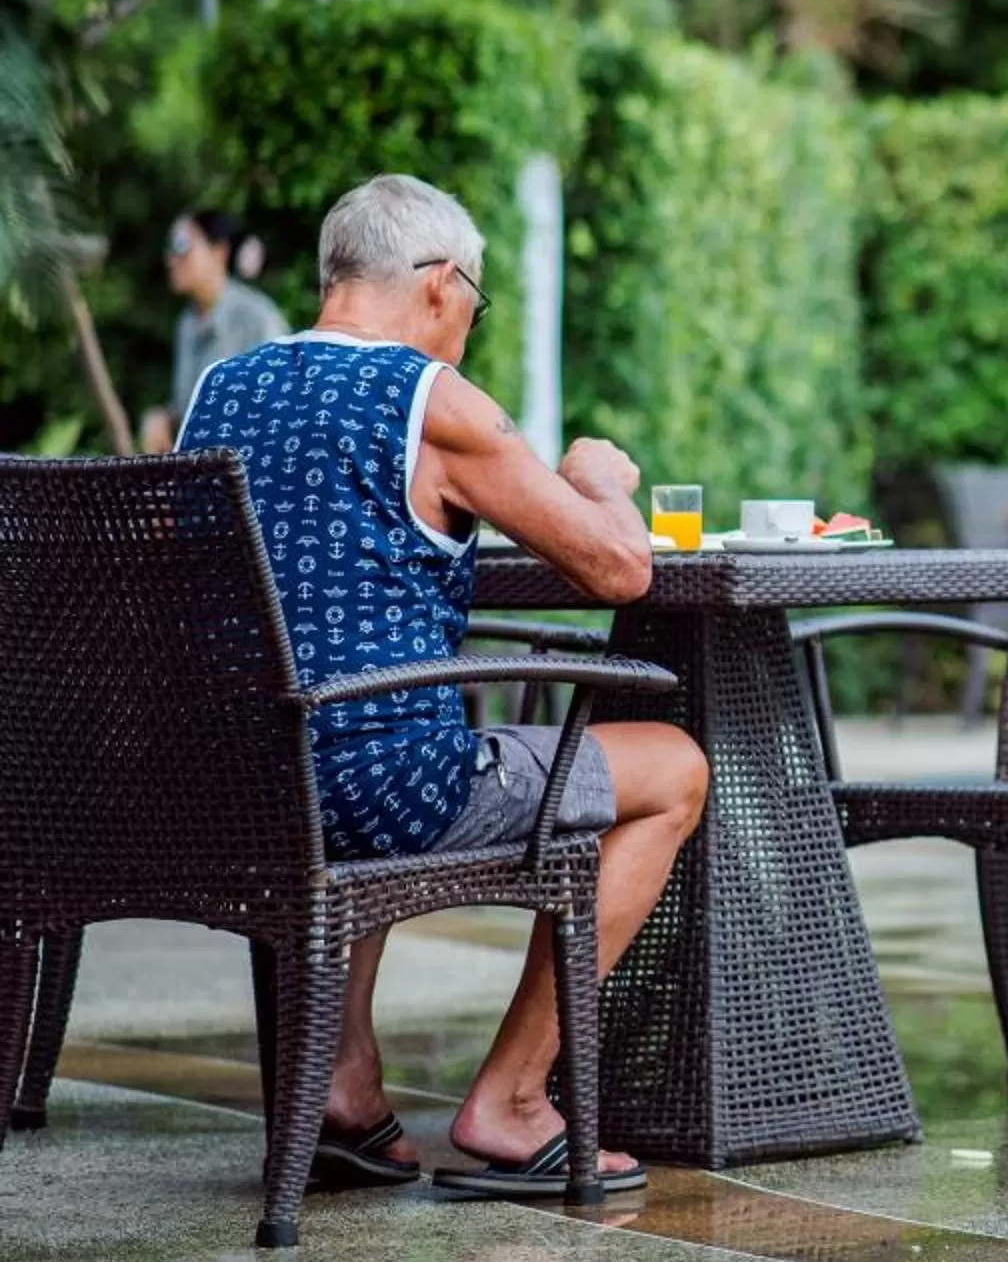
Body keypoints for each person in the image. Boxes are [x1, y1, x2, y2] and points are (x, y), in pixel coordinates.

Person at [178, 174, 707, 1198]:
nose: (470, 318)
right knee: (675, 767)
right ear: (438, 283)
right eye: (477, 296)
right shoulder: (431, 401)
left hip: (239, 775)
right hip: (381, 788)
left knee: (348, 708)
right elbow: (617, 568)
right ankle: (510, 1100)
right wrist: (600, 479)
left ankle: (341, 1090)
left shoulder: (221, 389)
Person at [136, 208, 289, 454]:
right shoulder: (186, 323)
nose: (171, 259)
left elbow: (282, 408)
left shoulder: (258, 319)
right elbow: (189, 406)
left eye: (182, 246)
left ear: (219, 252)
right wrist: (162, 417)